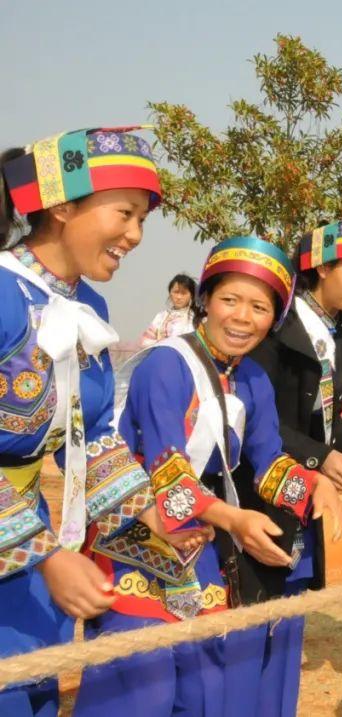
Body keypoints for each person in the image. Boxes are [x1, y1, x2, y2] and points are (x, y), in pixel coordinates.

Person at [74, 236, 342, 717]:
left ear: (274, 318)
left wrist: (313, 486)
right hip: (138, 532)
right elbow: (168, 473)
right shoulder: (166, 364)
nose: (242, 317)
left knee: (204, 687)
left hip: (198, 539)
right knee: (141, 683)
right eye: (230, 300)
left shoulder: (253, 380)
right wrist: (233, 521)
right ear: (205, 300)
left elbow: (267, 463)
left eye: (260, 307)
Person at [0, 126, 190, 717]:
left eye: (142, 222)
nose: (134, 236)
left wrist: (151, 516)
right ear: (61, 205)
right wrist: (44, 556)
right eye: (125, 214)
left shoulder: (90, 310)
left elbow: (95, 433)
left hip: (29, 547)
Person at [240, 220, 342, 717]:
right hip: (261, 495)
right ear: (320, 267)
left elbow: (327, 423)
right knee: (252, 623)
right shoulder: (276, 326)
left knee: (289, 619)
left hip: (304, 502)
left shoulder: (332, 337)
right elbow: (255, 413)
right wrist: (317, 457)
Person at [138, 273, 196, 347]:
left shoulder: (196, 318)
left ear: (191, 295)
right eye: (176, 292)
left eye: (183, 293)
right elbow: (145, 342)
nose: (179, 297)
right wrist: (159, 342)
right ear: (170, 293)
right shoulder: (160, 317)